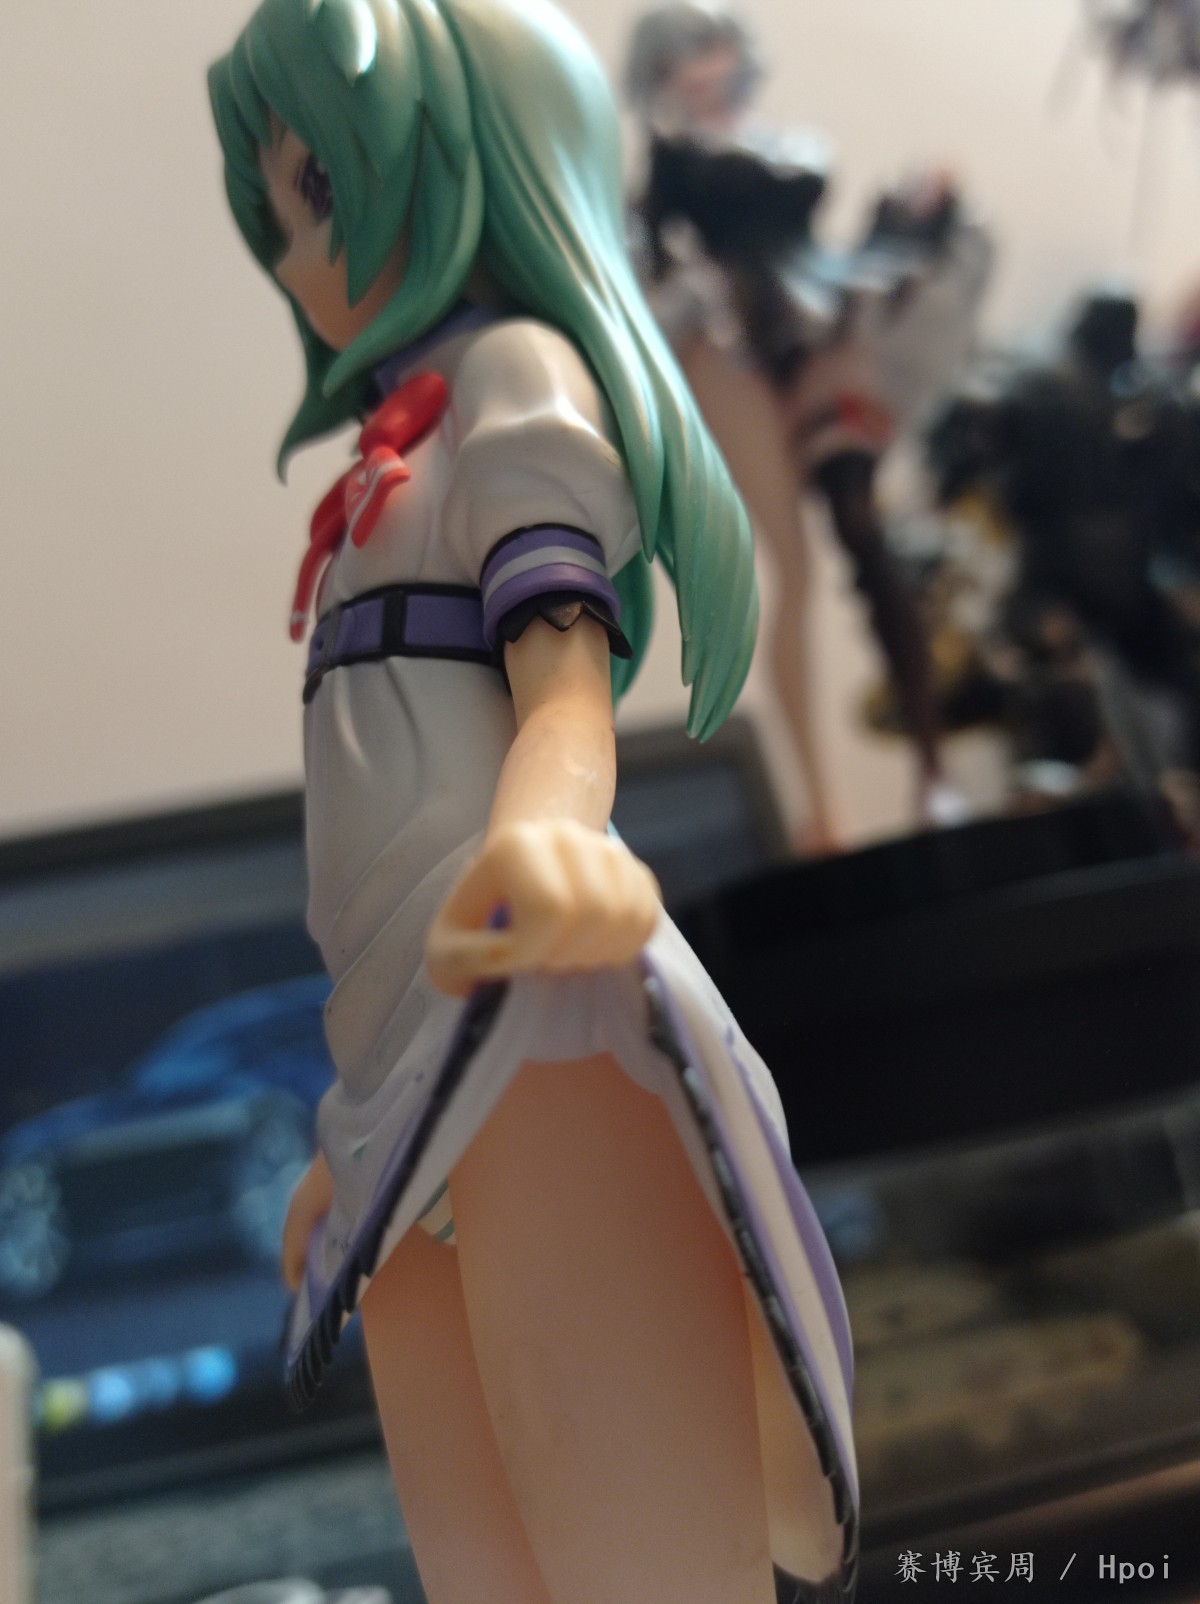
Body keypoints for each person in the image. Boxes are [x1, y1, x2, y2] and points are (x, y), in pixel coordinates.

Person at [207, 3, 858, 1602]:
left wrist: (553, 842)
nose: (294, 249)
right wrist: (356, 1124)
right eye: (276, 204)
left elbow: (563, 688)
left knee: (640, 1560)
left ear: (463, 160)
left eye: (318, 188)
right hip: (407, 1059)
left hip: (533, 1008)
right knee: (486, 1560)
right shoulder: (395, 446)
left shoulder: (513, 375)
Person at [626, 2, 990, 843]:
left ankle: (932, 773)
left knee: (862, 529)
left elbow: (824, 244)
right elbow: (643, 268)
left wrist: (911, 209)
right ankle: (821, 803)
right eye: (685, 57)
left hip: (822, 325)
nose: (706, 68)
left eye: (714, 49)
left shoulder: (776, 141)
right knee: (791, 561)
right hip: (730, 350)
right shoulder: (672, 165)